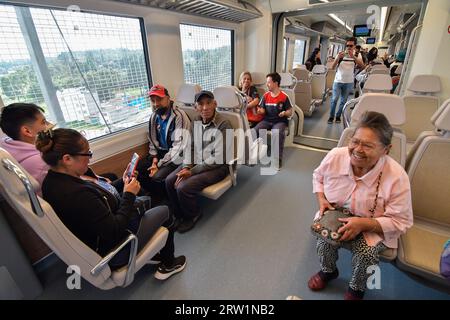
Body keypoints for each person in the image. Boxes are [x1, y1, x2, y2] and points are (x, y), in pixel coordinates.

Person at [37, 128, 186, 279]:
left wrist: (124, 181)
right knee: (165, 211)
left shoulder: (53, 181)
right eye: (87, 153)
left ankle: (153, 250)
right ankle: (169, 264)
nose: (89, 158)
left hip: (103, 230)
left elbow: (102, 197)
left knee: (145, 200)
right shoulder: (76, 194)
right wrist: (128, 195)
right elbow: (115, 231)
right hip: (115, 249)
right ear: (67, 159)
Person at [308, 111, 413, 300]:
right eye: (355, 141)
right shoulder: (335, 156)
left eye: (367, 145)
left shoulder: (397, 177)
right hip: (335, 215)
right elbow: (318, 176)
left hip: (373, 223)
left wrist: (363, 224)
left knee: (367, 253)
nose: (357, 149)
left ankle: (357, 287)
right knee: (324, 242)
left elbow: (402, 221)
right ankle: (329, 270)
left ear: (386, 150)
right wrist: (321, 199)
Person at [165, 91, 232, 233]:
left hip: (218, 166)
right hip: (197, 161)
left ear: (215, 104)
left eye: (208, 103)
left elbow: (219, 158)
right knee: (169, 180)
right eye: (201, 104)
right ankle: (179, 214)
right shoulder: (195, 121)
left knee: (183, 187)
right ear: (196, 107)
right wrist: (186, 166)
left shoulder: (224, 124)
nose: (205, 107)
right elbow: (189, 147)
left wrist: (192, 172)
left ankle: (193, 214)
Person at [137, 84, 190, 204]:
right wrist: (154, 159)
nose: (156, 104)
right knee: (139, 169)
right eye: (153, 100)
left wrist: (159, 165)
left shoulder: (179, 116)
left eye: (159, 99)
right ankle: (157, 196)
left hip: (178, 155)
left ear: (168, 98)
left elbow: (178, 147)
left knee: (157, 176)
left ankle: (168, 201)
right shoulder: (154, 117)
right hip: (160, 154)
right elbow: (152, 141)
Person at [0, 103, 50, 192]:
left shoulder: (4, 145)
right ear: (27, 131)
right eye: (44, 122)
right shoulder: (42, 162)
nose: (49, 125)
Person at [253, 72, 293, 169]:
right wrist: (259, 111)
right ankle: (253, 154)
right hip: (267, 120)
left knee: (277, 133)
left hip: (279, 121)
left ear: (275, 83)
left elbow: (290, 111)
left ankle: (277, 159)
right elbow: (262, 110)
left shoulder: (284, 97)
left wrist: (284, 113)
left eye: (269, 82)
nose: (267, 84)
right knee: (254, 131)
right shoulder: (266, 96)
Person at [328, 37, 365, 124]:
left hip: (349, 82)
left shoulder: (357, 55)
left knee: (343, 101)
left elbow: (362, 66)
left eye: (351, 45)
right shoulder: (340, 54)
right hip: (338, 81)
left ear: (354, 46)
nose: (349, 47)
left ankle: (338, 116)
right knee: (334, 99)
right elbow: (332, 68)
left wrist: (353, 57)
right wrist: (337, 58)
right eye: (347, 45)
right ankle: (331, 116)